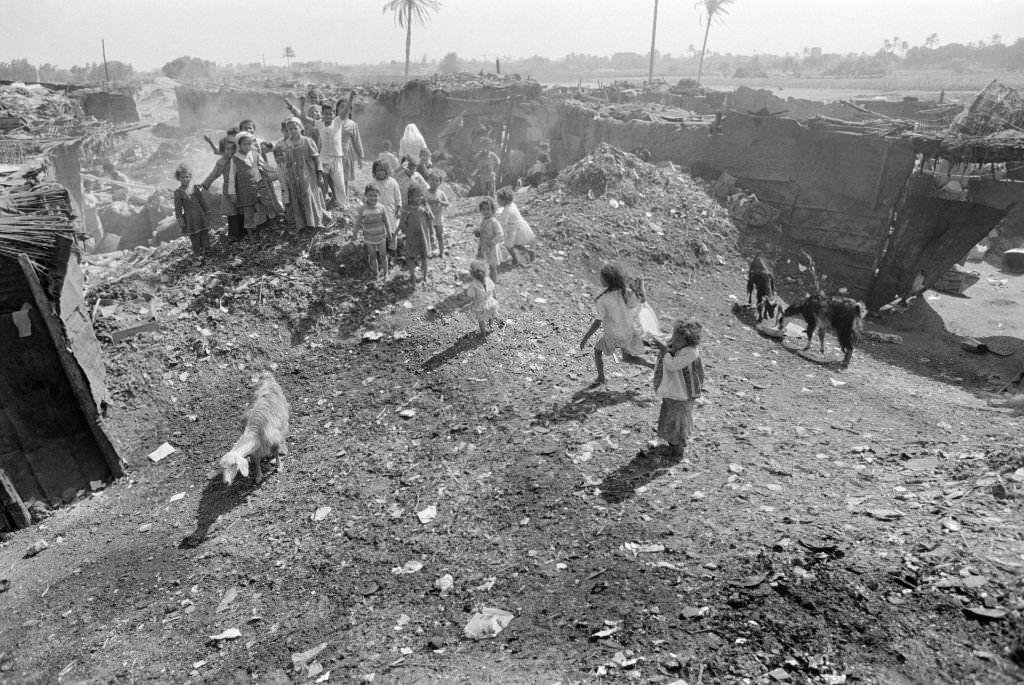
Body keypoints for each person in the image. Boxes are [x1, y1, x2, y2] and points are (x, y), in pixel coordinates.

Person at [579, 263, 654, 388]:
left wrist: (585, 338)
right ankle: (652, 365)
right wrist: (641, 287)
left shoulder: (603, 300)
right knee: (627, 358)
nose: (600, 279)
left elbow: (597, 322)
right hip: (628, 333)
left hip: (614, 336)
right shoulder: (626, 293)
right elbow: (642, 301)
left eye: (601, 277)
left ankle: (601, 378)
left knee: (597, 351)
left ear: (607, 280)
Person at [651, 320, 705, 460]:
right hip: (675, 392)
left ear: (689, 341)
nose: (674, 341)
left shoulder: (691, 352)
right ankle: (673, 445)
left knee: (677, 421)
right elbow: (669, 344)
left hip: (681, 395)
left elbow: (672, 365)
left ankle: (677, 450)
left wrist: (664, 351)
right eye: (674, 337)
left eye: (678, 340)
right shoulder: (681, 345)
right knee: (671, 417)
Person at [286, 99, 344, 206]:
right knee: (321, 180)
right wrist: (295, 107)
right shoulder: (311, 125)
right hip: (314, 156)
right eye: (312, 112)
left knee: (334, 180)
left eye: (316, 111)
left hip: (327, 156)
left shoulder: (329, 123)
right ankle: (321, 201)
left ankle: (336, 199)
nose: (314, 114)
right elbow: (301, 116)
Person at [280, 118, 328, 231]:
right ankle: (302, 223)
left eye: (295, 128)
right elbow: (286, 162)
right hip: (294, 175)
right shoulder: (286, 144)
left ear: (300, 128)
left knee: (309, 194)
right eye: (290, 129)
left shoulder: (307, 141)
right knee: (297, 196)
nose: (293, 131)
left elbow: (316, 159)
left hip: (308, 174)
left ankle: (315, 222)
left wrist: (319, 174)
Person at [228, 131, 280, 234]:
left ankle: (274, 226)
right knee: (248, 210)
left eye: (249, 144)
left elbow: (265, 166)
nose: (247, 147)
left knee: (268, 204)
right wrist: (232, 192)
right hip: (245, 189)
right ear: (239, 145)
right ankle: (250, 234)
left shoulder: (255, 154)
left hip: (259, 185)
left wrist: (278, 173)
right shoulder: (234, 158)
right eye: (244, 144)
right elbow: (232, 177)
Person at [199, 135, 244, 241]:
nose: (230, 151)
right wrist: (204, 184)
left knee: (242, 209)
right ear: (223, 150)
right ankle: (234, 234)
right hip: (228, 189)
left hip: (242, 187)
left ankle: (244, 232)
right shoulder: (222, 162)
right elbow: (213, 174)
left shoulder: (240, 158)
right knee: (231, 212)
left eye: (233, 149)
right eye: (227, 149)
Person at [356, 184, 393, 284]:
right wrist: (355, 234)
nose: (373, 198)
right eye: (370, 195)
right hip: (369, 237)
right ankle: (376, 273)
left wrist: (389, 232)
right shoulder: (363, 209)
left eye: (375, 195)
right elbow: (358, 222)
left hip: (381, 236)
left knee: (383, 255)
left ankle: (385, 274)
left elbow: (386, 221)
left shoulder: (381, 208)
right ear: (366, 195)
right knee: (372, 256)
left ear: (378, 196)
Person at [398, 185, 433, 287]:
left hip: (423, 236)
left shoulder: (424, 207)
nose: (418, 198)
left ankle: (425, 276)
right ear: (410, 197)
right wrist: (403, 231)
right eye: (415, 196)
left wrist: (432, 234)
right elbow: (402, 222)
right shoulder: (406, 208)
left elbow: (430, 219)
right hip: (411, 236)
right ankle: (413, 275)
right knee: (410, 256)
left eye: (419, 195)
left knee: (424, 256)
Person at [173, 165, 210, 259]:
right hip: (190, 218)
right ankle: (197, 254)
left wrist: (207, 210)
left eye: (187, 177)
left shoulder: (195, 188)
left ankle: (207, 252)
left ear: (190, 177)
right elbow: (178, 208)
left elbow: (201, 200)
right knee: (194, 236)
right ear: (178, 178)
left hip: (200, 215)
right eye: (182, 177)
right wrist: (180, 219)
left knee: (204, 233)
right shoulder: (178, 192)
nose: (185, 179)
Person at [496, 187, 536, 266]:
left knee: (508, 245)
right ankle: (529, 252)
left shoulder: (506, 210)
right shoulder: (512, 205)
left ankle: (515, 259)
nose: (497, 201)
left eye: (499, 199)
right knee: (516, 244)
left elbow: (503, 223)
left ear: (504, 200)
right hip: (519, 226)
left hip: (514, 228)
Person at [464, 259, 499, 336]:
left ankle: (483, 333)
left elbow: (471, 296)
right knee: (491, 315)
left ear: (472, 274)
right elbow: (494, 290)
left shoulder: (473, 285)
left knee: (481, 320)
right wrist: (495, 299)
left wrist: (469, 303)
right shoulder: (488, 280)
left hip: (480, 306)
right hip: (491, 303)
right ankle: (490, 326)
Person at [474, 197, 504, 284]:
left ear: (493, 210)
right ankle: (486, 282)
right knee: (483, 265)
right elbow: (482, 232)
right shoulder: (483, 220)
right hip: (483, 247)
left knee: (492, 267)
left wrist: (492, 242)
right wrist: (478, 233)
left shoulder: (494, 222)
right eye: (483, 209)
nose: (485, 211)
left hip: (491, 249)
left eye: (488, 209)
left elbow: (501, 235)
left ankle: (493, 283)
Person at [338, 100, 364, 198]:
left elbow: (357, 141)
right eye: (341, 106)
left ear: (350, 110)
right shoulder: (333, 122)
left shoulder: (352, 124)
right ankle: (336, 198)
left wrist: (360, 157)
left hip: (346, 154)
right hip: (333, 153)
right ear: (337, 108)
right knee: (334, 178)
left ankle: (345, 199)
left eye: (347, 107)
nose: (344, 109)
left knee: (345, 179)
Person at [425, 172, 449, 258]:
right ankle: (429, 252)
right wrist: (428, 203)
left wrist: (440, 201)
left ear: (440, 182)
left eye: (436, 180)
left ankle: (442, 252)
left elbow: (447, 203)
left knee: (440, 235)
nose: (434, 182)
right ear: (428, 181)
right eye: (432, 180)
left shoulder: (441, 193)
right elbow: (422, 203)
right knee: (429, 236)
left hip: (438, 218)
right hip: (428, 218)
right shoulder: (426, 192)